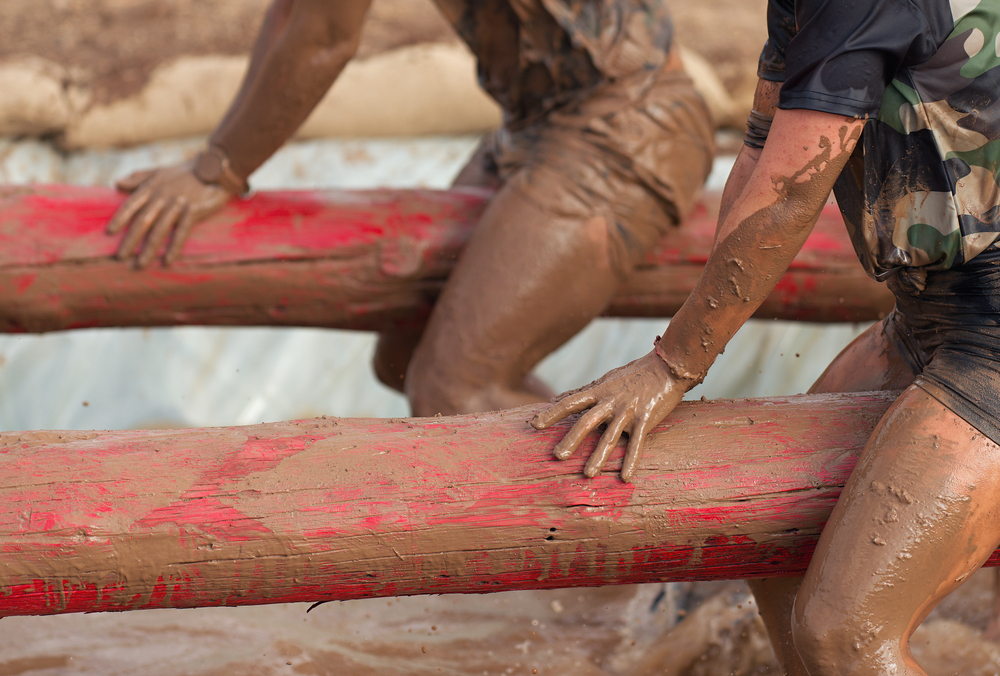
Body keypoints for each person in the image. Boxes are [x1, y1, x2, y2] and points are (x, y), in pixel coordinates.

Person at [532, 0, 1000, 673]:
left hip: (989, 340)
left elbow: (789, 195)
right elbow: (760, 155)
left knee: (844, 634)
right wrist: (689, 345)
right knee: (781, 562)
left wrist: (672, 367)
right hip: (929, 321)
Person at [105, 0, 713, 418]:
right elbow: (297, 13)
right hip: (536, 125)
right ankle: (574, 535)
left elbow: (325, 40)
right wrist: (217, 162)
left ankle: (644, 564)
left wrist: (221, 168)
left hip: (628, 122)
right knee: (403, 357)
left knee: (454, 388)